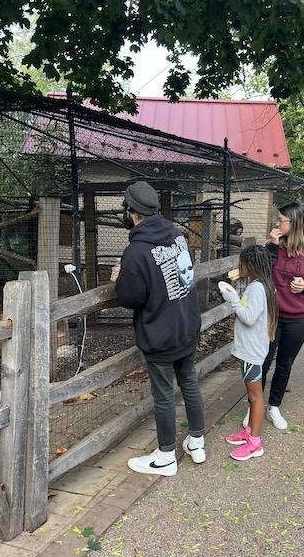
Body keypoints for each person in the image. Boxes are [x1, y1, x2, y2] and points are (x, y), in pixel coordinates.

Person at [111, 181, 205, 476]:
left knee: (164, 394)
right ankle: (197, 442)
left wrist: (120, 278)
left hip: (161, 333)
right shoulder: (177, 237)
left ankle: (166, 456)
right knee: (189, 381)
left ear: (131, 211)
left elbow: (131, 297)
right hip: (186, 325)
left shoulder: (136, 251)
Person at [259, 202, 304, 429]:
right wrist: (271, 246)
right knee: (264, 361)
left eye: (281, 220)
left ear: (295, 222)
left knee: (285, 363)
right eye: (277, 220)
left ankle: (273, 406)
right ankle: (256, 406)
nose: (277, 224)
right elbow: (261, 273)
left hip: (298, 317)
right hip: (273, 314)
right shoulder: (275, 245)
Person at [219, 245, 278, 461]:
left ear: (250, 264)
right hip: (251, 350)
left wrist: (232, 299)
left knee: (256, 397)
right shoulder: (261, 285)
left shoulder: (257, 288)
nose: (239, 266)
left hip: (252, 352)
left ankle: (255, 442)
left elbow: (249, 317)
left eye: (241, 262)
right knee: (252, 396)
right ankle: (249, 432)